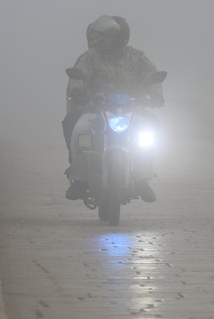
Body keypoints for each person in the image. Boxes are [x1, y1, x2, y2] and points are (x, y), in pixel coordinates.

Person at [64, 14, 164, 202]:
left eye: (106, 36)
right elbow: (79, 75)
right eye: (99, 36)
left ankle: (143, 178)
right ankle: (79, 178)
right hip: (95, 109)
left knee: (150, 128)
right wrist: (77, 92)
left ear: (120, 37)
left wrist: (156, 95)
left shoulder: (137, 57)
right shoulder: (90, 57)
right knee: (76, 127)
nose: (100, 40)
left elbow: (152, 74)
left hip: (132, 109)